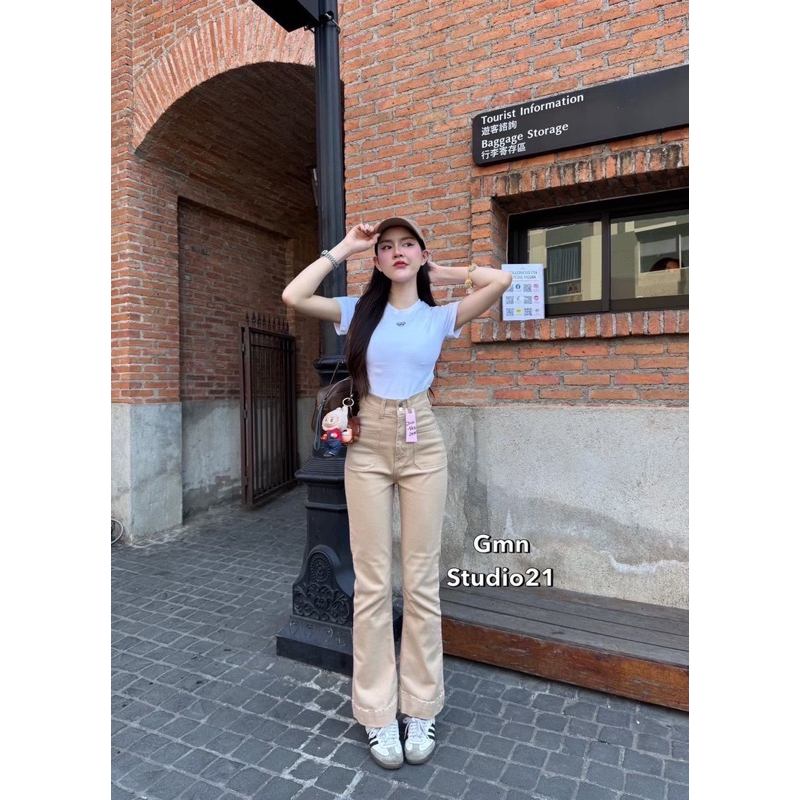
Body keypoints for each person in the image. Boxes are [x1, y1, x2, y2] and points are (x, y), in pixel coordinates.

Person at [282, 217, 512, 769]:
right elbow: (294, 295)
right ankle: (378, 713)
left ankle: (421, 706)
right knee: (372, 582)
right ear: (378, 261)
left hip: (422, 439)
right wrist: (345, 248)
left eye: (407, 245)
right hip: (368, 443)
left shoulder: (439, 316)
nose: (397, 252)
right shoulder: (357, 312)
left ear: (420, 254)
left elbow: (500, 281)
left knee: (422, 581)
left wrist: (441, 270)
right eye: (387, 247)